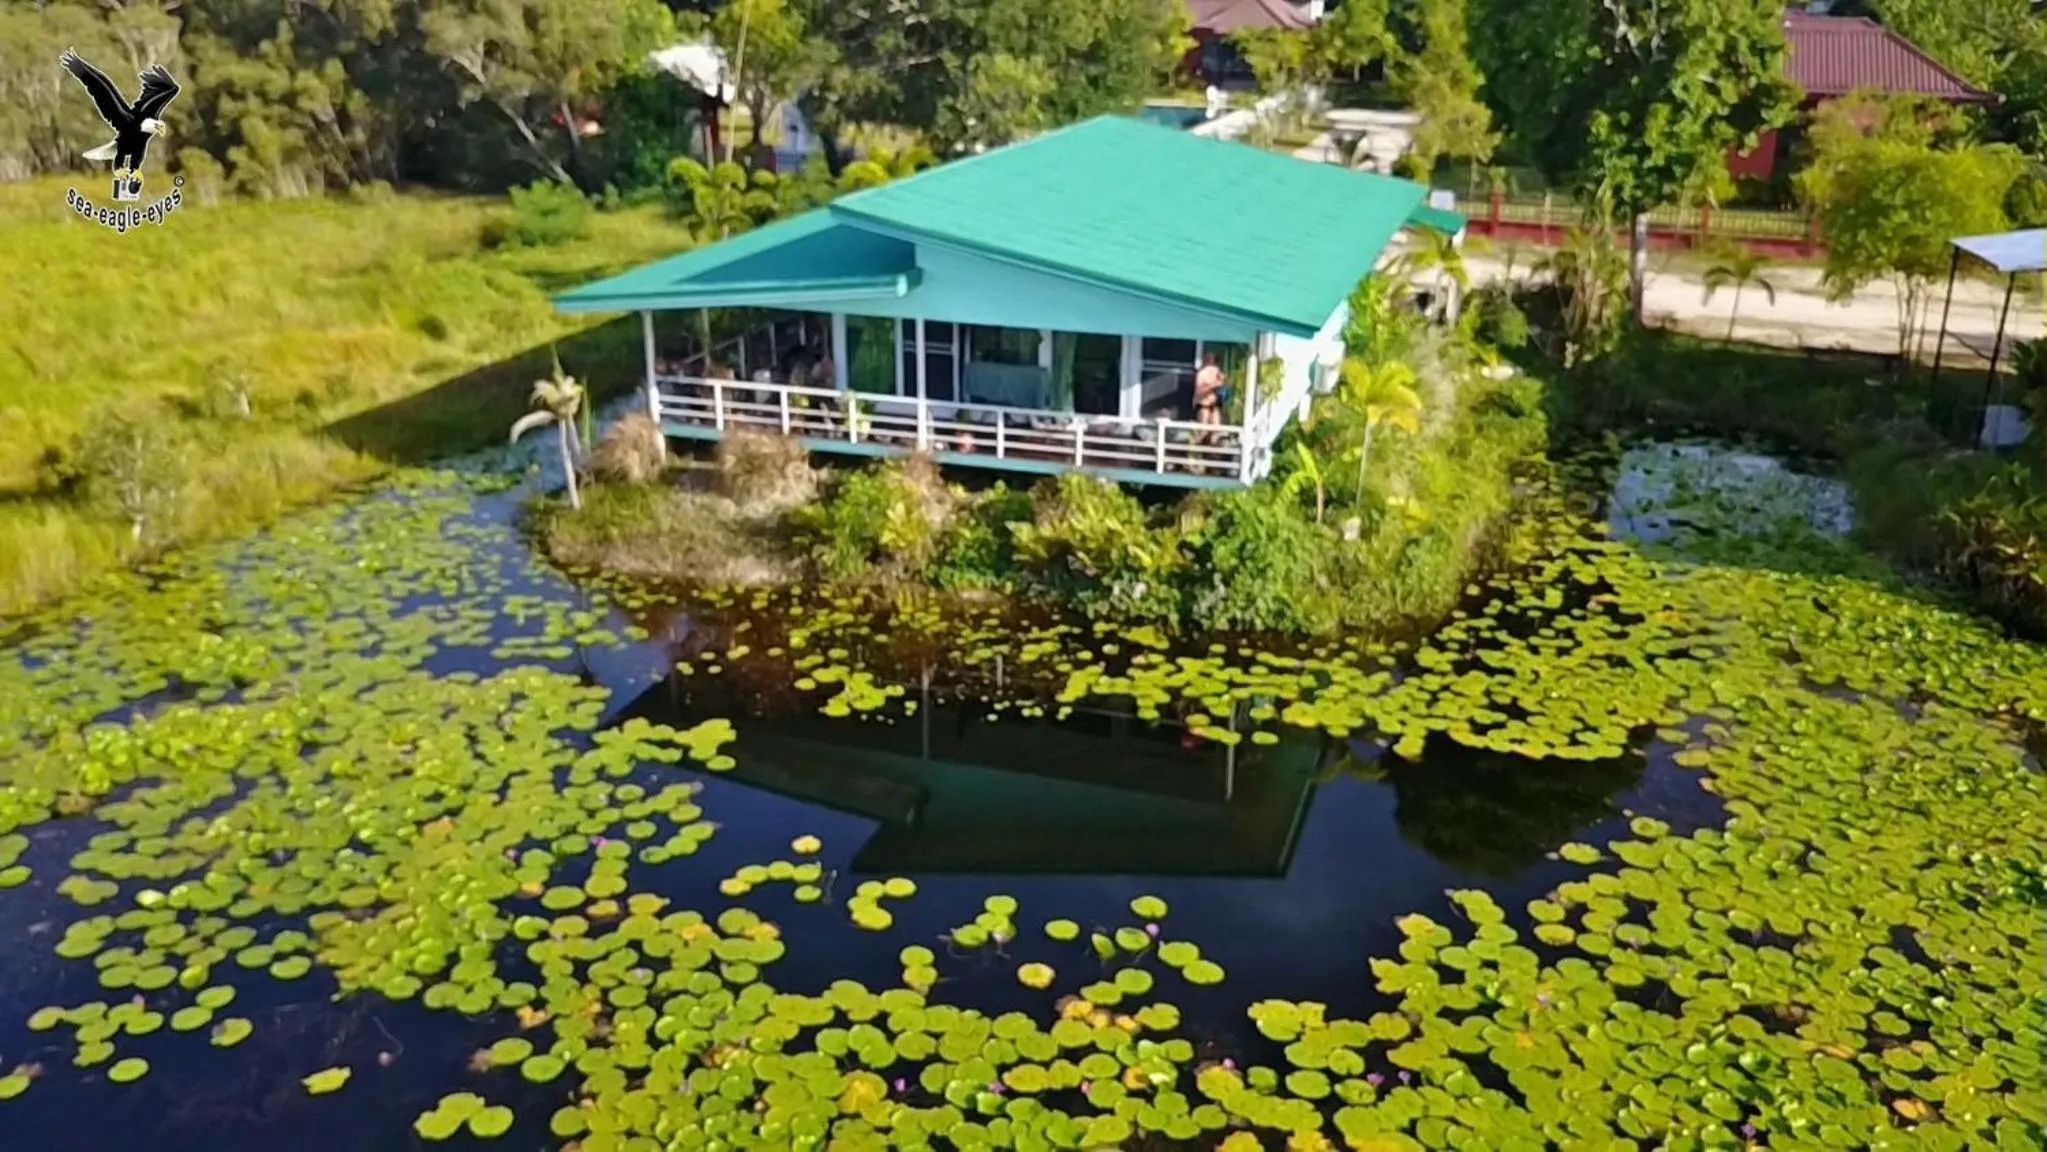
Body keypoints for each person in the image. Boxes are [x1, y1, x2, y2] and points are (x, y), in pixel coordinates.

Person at [1192, 354, 1225, 438]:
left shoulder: (1218, 373)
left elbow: (1225, 386)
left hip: (1215, 404)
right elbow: (1199, 391)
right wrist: (1212, 385)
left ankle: (1213, 448)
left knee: (1216, 430)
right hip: (1203, 404)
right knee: (1203, 430)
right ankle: (1200, 446)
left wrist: (1222, 383)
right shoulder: (1202, 374)